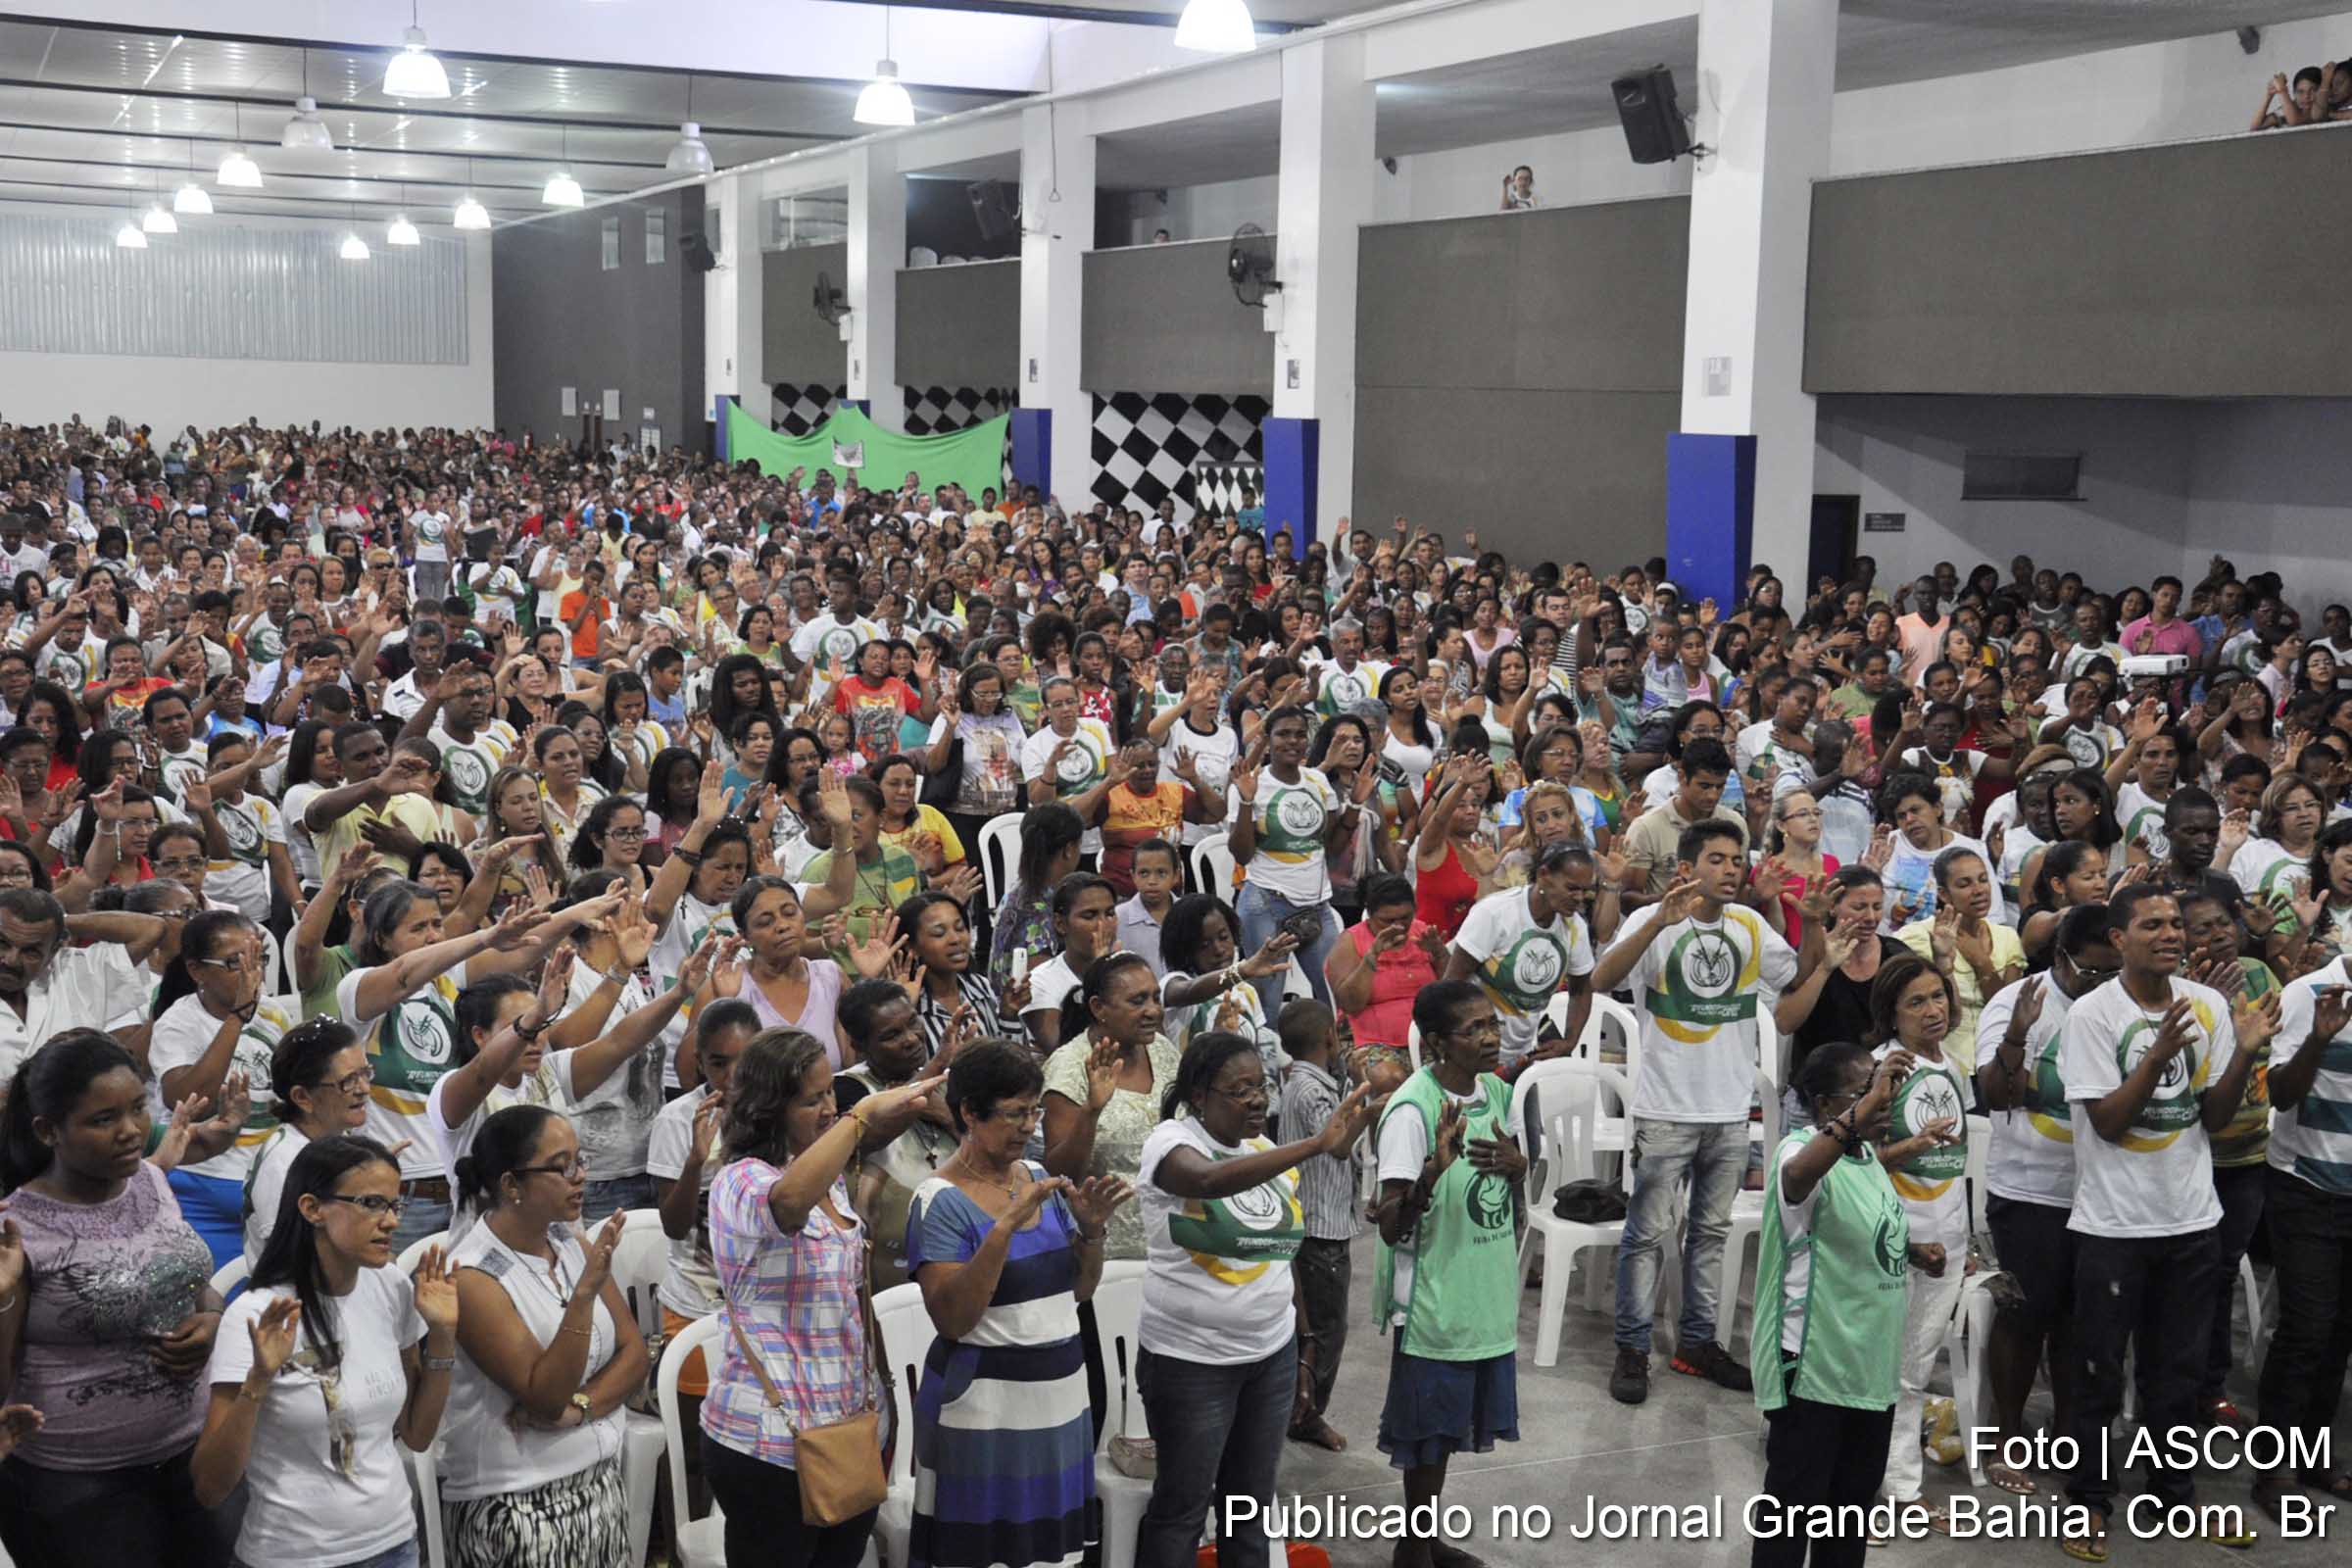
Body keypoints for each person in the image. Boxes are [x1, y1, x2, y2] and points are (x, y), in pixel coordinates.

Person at [2055, 885, 2273, 1559]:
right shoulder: (2093, 1015)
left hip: (2190, 1220)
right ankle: (2089, 1503)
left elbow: (2212, 1119)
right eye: (2152, 924)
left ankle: (2173, 1497)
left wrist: (2240, 1051)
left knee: (2176, 1374)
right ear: (2119, 939)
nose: (2171, 933)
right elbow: (2110, 1125)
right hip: (2115, 1225)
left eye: (2177, 923)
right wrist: (2155, 1056)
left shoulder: (2205, 1005)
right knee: (2096, 1373)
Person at [702, 1027, 941, 1568]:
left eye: (831, 1093)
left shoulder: (827, 1180)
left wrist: (881, 1401)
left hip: (846, 1427)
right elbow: (785, 1204)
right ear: (770, 1108)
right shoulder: (739, 1181)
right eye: (812, 1100)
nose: (830, 1109)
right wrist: (861, 1118)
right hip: (768, 1438)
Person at [1589, 820, 1810, 1403]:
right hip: (1665, 1107)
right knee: (1645, 1235)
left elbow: (1797, 979)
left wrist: (1809, 918)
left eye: (1737, 859)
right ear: (1687, 868)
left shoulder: (1751, 924)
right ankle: (1633, 1348)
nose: (1732, 869)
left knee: (1709, 1235)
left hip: (1731, 1109)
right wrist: (1657, 924)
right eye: (1717, 859)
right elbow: (1601, 979)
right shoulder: (1650, 921)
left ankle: (1696, 1343)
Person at [0, 1030, 238, 1568]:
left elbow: (188, 1278)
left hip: (192, 1455)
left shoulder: (150, 1182)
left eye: (136, 1109)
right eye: (103, 1119)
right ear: (48, 1131)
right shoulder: (16, 1230)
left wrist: (212, 1317)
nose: (132, 1131)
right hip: (80, 1487)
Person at [1134, 1027, 1371, 1568]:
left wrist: (1303, 1344)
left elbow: (1281, 1256)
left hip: (1270, 1356)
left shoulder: (1266, 1150)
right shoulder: (1172, 1144)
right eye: (1238, 1090)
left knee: (1249, 1509)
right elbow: (1212, 1181)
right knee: (1182, 1509)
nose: (1257, 1099)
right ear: (1199, 1094)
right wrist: (1314, 1145)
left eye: (1261, 1086)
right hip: (1192, 1360)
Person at [190, 1136, 462, 1568]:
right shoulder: (258, 1314)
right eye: (372, 1203)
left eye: (394, 1206)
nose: (390, 1221)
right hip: (296, 1555)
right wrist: (257, 1382)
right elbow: (210, 1486)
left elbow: (417, 1433)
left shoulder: (391, 1287)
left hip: (395, 1542)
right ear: (312, 1208)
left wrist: (444, 1335)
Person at [902, 1039, 1122, 1568]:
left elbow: (1079, 1291)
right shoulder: (938, 1200)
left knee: (1052, 1553)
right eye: (1014, 1114)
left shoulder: (1036, 1177)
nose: (1028, 1126)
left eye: (1034, 1112)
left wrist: (1091, 1233)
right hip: (986, 1412)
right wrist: (1003, 1228)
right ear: (969, 1114)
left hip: (1059, 1403)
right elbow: (954, 1319)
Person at [443, 1106, 649, 1568]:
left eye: (580, 1161)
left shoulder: (570, 1243)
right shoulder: (473, 1277)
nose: (579, 1177)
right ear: (511, 1185)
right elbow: (544, 1397)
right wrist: (583, 1298)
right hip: (516, 1508)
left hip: (599, 1487)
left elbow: (635, 1353)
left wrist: (581, 1410)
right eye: (561, 1166)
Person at [1372, 981, 1525, 1568]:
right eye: (1474, 1029)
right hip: (1434, 1296)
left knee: (1448, 1432)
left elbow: (1506, 1175)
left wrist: (1519, 1166)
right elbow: (1389, 1225)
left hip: (1481, 1287)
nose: (1491, 1037)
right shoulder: (1413, 1109)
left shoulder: (1496, 1092)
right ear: (1437, 1043)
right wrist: (1433, 1172)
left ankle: (1426, 1540)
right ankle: (1411, 1553)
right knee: (1427, 1437)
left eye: (1493, 1023)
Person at [1748, 1044, 1913, 1568]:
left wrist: (1915, 1252)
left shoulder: (1867, 1159)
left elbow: (1859, 1237)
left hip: (1869, 1371)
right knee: (1791, 1519)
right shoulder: (1798, 1151)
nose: (1884, 1101)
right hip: (1817, 1366)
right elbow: (1799, 1178)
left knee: (1848, 1522)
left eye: (1885, 1090)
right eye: (1867, 1091)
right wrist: (1859, 1113)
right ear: (1826, 1106)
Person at [1973, 904, 2116, 1498]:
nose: (2105, 986)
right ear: (2060, 958)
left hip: (2100, 1189)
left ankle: (2066, 1433)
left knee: (2080, 1324)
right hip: (2030, 1187)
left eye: (2114, 973)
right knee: (2025, 1316)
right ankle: (2005, 1438)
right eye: (2093, 974)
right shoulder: (2018, 1002)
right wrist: (2017, 1038)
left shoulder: (2119, 1005)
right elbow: (1995, 1094)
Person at [1863, 955, 1969, 1534]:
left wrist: (1962, 1233)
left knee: (1916, 1369)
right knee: (1889, 1372)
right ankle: (1888, 1490)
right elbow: (1854, 1162)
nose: (1933, 1011)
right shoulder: (1882, 1072)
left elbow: (1954, 1161)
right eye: (1916, 1003)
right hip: (1893, 1240)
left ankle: (1896, 1483)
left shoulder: (1951, 1065)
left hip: (1946, 1238)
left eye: (1938, 998)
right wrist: (1906, 1241)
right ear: (1891, 1015)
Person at [2256, 952, 2352, 1518]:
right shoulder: (2308, 993)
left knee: (2341, 1330)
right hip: (2306, 1185)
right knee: (2306, 1330)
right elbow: (2281, 1093)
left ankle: (2314, 1458)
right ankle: (2273, 1471)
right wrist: (2319, 1039)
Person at [1041, 952, 1182, 1263]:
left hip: (1176, 1241)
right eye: (1137, 1001)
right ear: (1098, 1008)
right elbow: (1059, 1176)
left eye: (1155, 998)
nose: (1153, 1011)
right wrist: (1091, 1111)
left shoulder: (1162, 1050)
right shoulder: (1069, 1068)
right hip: (1109, 1253)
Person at [1230, 705, 1369, 1015]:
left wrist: (1355, 805)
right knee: (1267, 1002)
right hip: (1265, 903)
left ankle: (1334, 1061)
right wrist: (1246, 801)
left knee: (1336, 996)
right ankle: (1269, 1063)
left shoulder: (1317, 782)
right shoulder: (1251, 782)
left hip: (1315, 906)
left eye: (1299, 735)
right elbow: (1241, 854)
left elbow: (1332, 847)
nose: (1292, 741)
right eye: (1283, 734)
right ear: (1267, 739)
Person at [1445, 840, 1598, 1072]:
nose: (1580, 898)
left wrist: (1569, 1041)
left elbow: (1581, 989)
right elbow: (1452, 986)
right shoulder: (1495, 913)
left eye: (1585, 890)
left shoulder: (1575, 927)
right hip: (1473, 1053)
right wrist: (1469, 1044)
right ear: (1544, 875)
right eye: (1572, 888)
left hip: (1526, 1054)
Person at [242, 1018, 372, 1270]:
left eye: (365, 1073)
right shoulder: (282, 1162)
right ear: (302, 1097)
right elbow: (293, 1263)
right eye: (348, 1081)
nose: (364, 1089)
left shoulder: (342, 1142)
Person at [1325, 871, 1445, 1058]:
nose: (1398, 926)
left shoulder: (1422, 932)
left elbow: (1454, 989)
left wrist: (1439, 953)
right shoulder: (1350, 942)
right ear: (1370, 914)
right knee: (1388, 1078)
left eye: (1405, 917)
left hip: (1429, 1036)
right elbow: (1350, 1004)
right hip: (1370, 1041)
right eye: (1387, 921)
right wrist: (1372, 955)